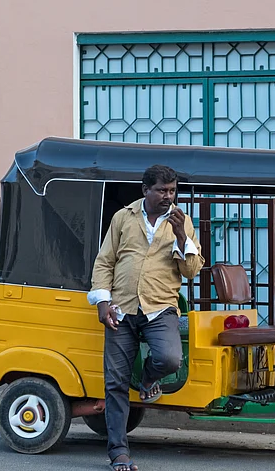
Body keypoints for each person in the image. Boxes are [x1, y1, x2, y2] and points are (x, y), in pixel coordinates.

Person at [88, 165, 204, 471]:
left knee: (169, 358)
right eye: (162, 191)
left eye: (172, 190)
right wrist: (102, 301)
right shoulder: (123, 218)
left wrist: (181, 234)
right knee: (115, 384)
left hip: (160, 307)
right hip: (121, 309)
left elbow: (191, 271)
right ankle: (119, 453)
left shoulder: (182, 222)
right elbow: (105, 262)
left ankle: (148, 378)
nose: (168, 197)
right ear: (145, 191)